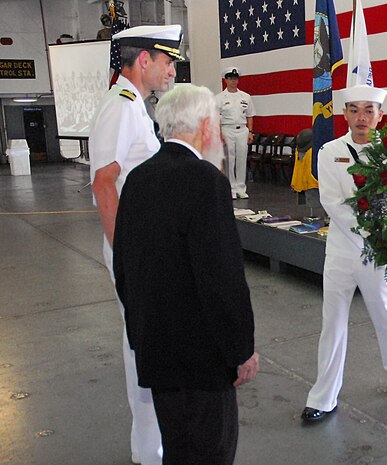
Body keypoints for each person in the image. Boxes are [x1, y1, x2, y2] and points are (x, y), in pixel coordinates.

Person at [113, 84, 258, 465]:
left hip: (157, 351)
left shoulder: (137, 179)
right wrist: (241, 349)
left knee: (177, 450)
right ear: (207, 126)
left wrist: (142, 332)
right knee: (212, 452)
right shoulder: (207, 181)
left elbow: (123, 268)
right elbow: (222, 278)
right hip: (204, 361)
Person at [88, 24, 183, 465]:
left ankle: (152, 445)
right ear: (143, 59)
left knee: (148, 343)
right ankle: (149, 452)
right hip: (134, 250)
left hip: (144, 247)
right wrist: (125, 253)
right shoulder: (122, 107)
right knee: (141, 347)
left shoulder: (136, 108)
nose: (171, 72)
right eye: (167, 62)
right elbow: (104, 183)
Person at [300, 84, 387, 422]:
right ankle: (323, 396)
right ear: (345, 115)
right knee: (332, 321)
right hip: (342, 249)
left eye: (369, 110)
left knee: (384, 311)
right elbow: (332, 202)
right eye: (354, 110)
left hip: (378, 252)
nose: (362, 118)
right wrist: (365, 232)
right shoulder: (329, 152)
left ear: (380, 115)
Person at [214, 66, 255, 199]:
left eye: (235, 78)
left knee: (242, 158)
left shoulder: (245, 97)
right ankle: (230, 188)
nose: (233, 81)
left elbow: (250, 115)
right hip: (227, 129)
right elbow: (216, 117)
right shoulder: (219, 98)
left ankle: (241, 188)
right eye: (230, 79)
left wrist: (250, 131)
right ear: (225, 80)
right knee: (229, 159)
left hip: (242, 129)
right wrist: (219, 133)